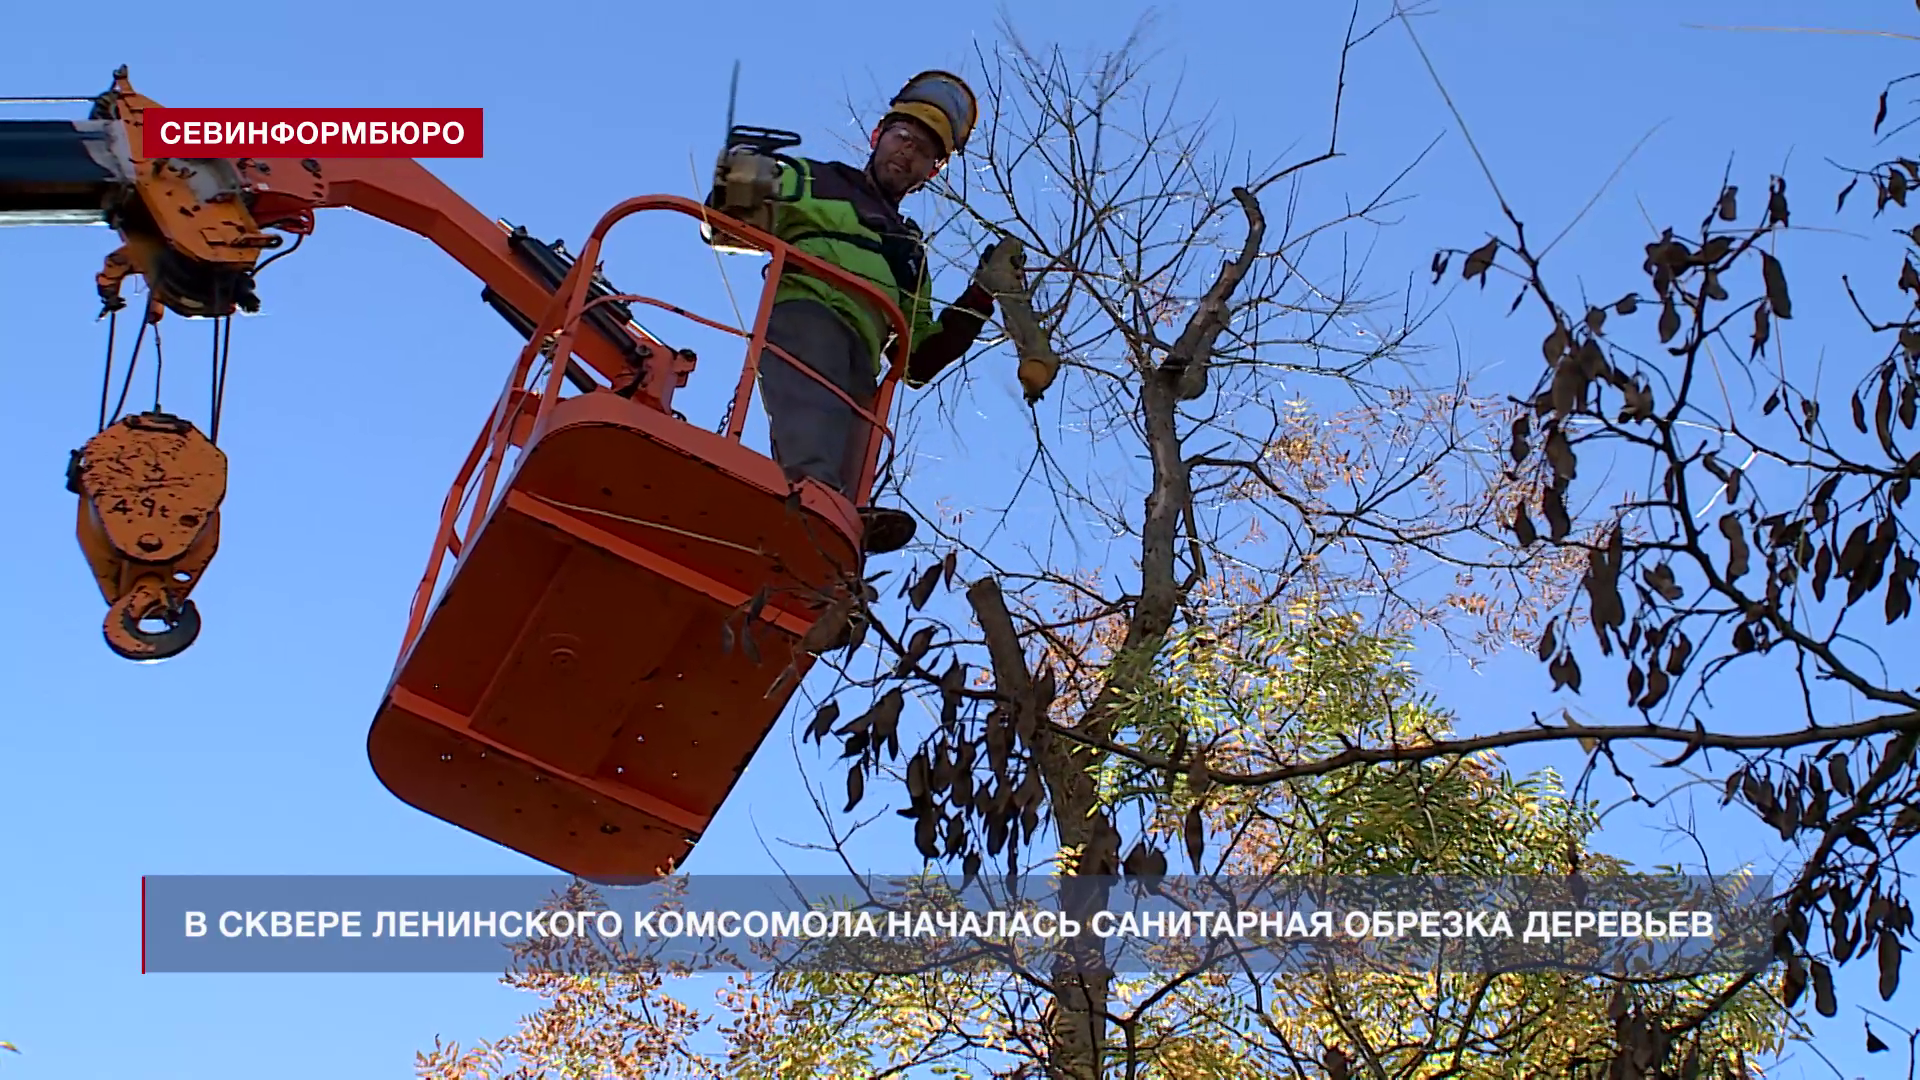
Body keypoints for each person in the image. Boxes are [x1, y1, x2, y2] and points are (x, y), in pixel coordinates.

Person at [705, 70, 1003, 556]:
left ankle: (831, 552)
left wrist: (981, 295)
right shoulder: (817, 179)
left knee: (854, 448)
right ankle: (816, 511)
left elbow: (917, 360)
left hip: (863, 354)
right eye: (902, 137)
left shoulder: (909, 252)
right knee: (814, 413)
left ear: (932, 173)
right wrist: (740, 178)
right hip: (808, 311)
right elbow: (726, 224)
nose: (908, 153)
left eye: (924, 152)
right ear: (877, 136)